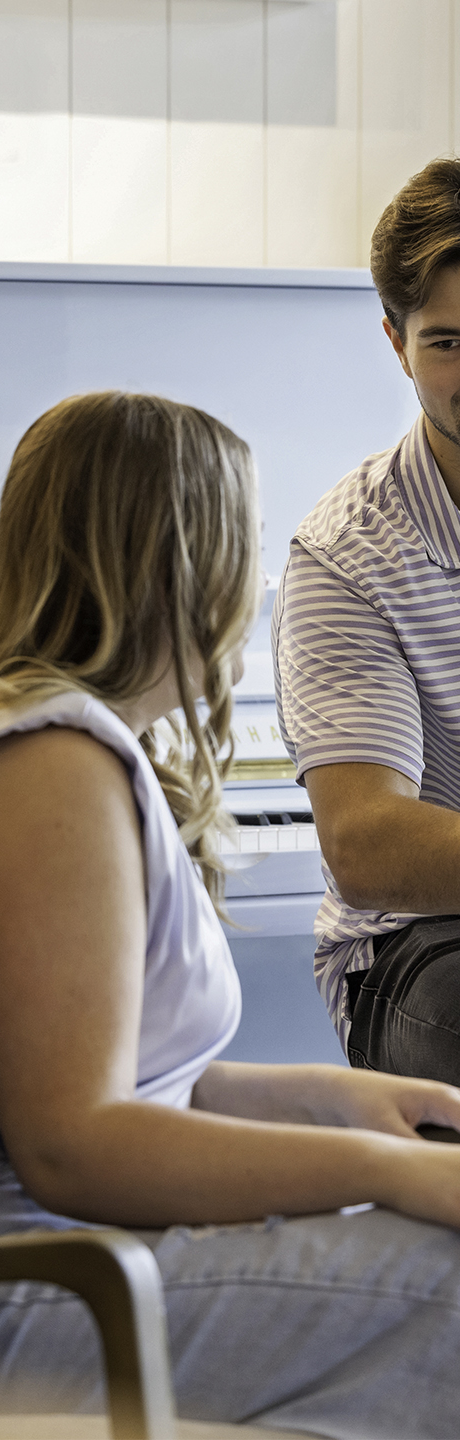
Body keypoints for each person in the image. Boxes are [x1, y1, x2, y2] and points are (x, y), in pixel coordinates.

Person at [0, 391, 460, 1437]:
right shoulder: (51, 769)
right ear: (182, 560)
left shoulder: (50, 740)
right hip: (20, 1273)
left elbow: (116, 1074)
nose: (255, 586)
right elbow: (74, 1146)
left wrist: (342, 1104)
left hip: (38, 1235)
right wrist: (391, 1170)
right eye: (242, 546)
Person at [273, 155, 460, 1081]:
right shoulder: (347, 554)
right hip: (416, 945)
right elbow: (369, 847)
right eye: (449, 344)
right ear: (395, 340)